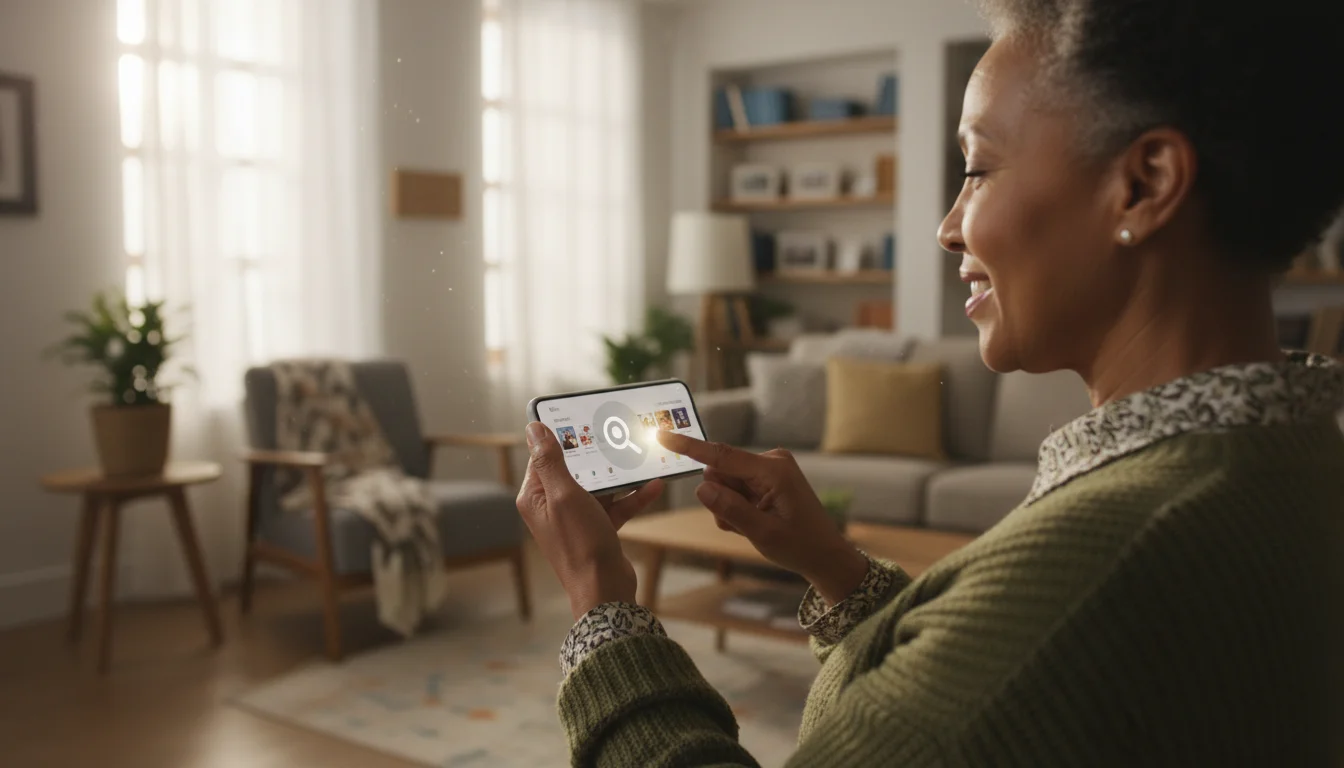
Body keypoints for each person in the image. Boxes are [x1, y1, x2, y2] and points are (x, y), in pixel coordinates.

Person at [515, 1, 1344, 764]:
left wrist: (603, 607)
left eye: (978, 168)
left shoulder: (1105, 564)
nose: (949, 228)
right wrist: (833, 566)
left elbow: (1022, 654)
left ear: (1145, 183)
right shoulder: (1291, 463)